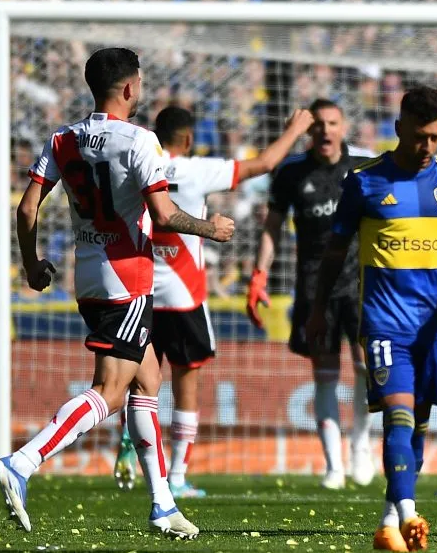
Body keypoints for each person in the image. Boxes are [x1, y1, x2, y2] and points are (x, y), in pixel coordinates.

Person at [0, 48, 235, 538]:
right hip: (128, 280)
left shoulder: (63, 138)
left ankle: (163, 505)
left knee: (148, 382)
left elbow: (26, 209)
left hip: (89, 276)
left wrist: (33, 263)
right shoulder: (140, 140)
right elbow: (164, 216)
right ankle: (23, 461)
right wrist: (211, 228)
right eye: (140, 83)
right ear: (129, 88)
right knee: (110, 390)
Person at [304, 86, 437, 553]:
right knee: (396, 417)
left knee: (417, 422)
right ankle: (411, 515)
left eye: (435, 137)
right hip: (383, 324)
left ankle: (389, 520)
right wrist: (317, 309)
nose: (427, 147)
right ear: (399, 129)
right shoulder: (365, 181)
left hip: (434, 328)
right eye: (419, 137)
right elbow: (333, 253)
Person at [113, 105, 314, 498]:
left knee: (140, 386)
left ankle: (129, 448)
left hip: (143, 294)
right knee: (186, 387)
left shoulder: (136, 165)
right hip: (185, 299)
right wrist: (294, 130)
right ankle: (177, 478)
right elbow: (266, 163)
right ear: (188, 139)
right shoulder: (193, 169)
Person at [247, 99, 375, 490]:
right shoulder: (289, 174)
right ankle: (334, 464)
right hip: (313, 286)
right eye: (318, 124)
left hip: (359, 284)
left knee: (366, 369)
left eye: (332, 123)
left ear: (344, 127)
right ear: (308, 130)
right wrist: (259, 274)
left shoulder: (363, 169)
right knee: (324, 376)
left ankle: (361, 446)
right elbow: (271, 228)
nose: (325, 131)